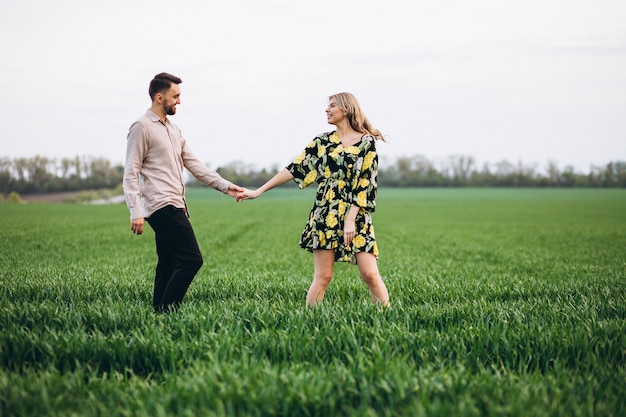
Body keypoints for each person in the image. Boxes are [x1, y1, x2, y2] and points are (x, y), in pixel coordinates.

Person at [237, 92, 390, 307]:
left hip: (356, 216)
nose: (326, 110)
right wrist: (258, 191)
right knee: (323, 276)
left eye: (332, 106)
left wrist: (349, 220)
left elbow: (366, 184)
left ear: (346, 109)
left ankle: (386, 316)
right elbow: (294, 169)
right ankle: (309, 322)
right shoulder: (323, 142)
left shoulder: (367, 143)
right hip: (325, 213)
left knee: (370, 274)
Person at [123, 72, 243, 313]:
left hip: (176, 204)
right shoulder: (141, 127)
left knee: (168, 262)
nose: (179, 101)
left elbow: (195, 165)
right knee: (191, 259)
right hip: (160, 205)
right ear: (159, 97)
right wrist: (135, 211)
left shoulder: (174, 130)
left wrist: (226, 186)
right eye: (175, 96)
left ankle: (158, 314)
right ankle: (168, 311)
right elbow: (130, 171)